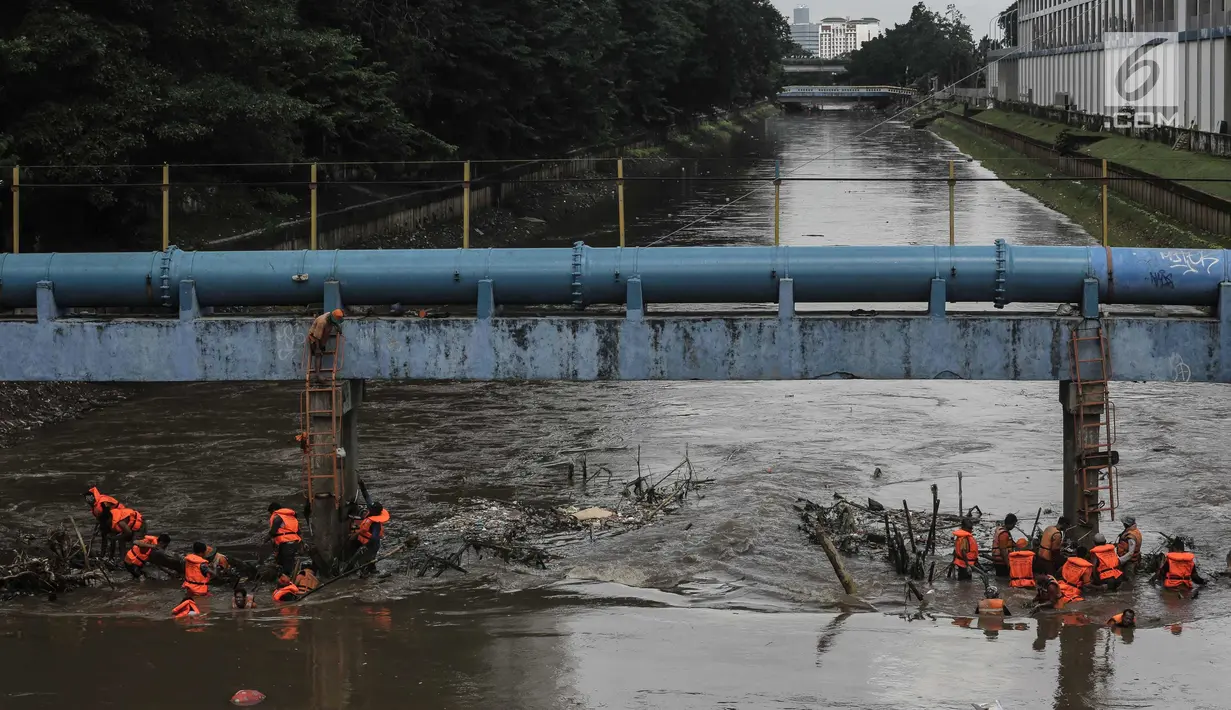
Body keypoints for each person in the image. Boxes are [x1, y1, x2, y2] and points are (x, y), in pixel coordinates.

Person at [348, 502, 390, 575]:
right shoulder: (371, 515)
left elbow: (374, 538)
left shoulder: (375, 524)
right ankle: (372, 570)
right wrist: (363, 490)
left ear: (375, 512)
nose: (369, 510)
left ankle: (366, 574)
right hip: (365, 540)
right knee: (369, 558)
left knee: (366, 559)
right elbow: (368, 499)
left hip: (372, 544)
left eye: (371, 509)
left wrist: (366, 546)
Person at [268, 503, 302, 576]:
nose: (270, 515)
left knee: (285, 563)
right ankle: (290, 576)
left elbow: (273, 531)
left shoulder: (278, 517)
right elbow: (298, 531)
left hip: (286, 542)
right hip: (294, 542)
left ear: (273, 510)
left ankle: (287, 579)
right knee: (288, 560)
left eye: (270, 512)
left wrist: (266, 539)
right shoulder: (291, 517)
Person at [951, 517, 979, 581]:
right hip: (964, 564)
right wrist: (967, 565)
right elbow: (963, 552)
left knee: (963, 581)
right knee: (965, 582)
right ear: (963, 527)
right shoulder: (964, 539)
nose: (970, 530)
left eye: (971, 528)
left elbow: (956, 551)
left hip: (963, 563)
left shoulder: (961, 537)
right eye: (969, 528)